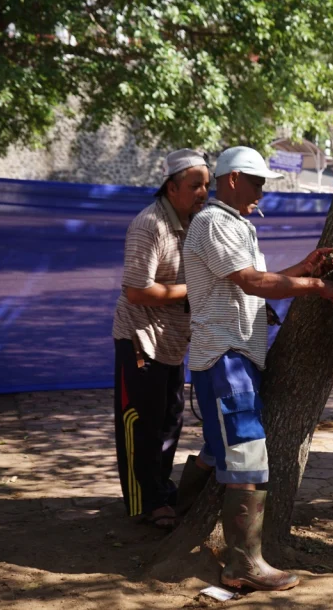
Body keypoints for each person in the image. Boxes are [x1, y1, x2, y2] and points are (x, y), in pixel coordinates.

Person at [178, 146, 333, 592]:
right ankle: (242, 565)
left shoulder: (235, 224)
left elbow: (254, 282)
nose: (263, 190)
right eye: (257, 181)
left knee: (220, 451)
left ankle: (179, 512)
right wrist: (315, 285)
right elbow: (252, 282)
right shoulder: (214, 223)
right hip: (226, 358)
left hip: (235, 356)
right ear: (231, 179)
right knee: (247, 457)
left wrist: (302, 269)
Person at [113, 149, 210, 530]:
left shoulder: (195, 221)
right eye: (195, 185)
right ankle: (147, 502)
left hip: (172, 342)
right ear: (171, 188)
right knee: (143, 424)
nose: (203, 192)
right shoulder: (149, 224)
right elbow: (136, 291)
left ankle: (160, 489)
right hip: (141, 340)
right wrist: (192, 291)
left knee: (170, 420)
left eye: (207, 184)